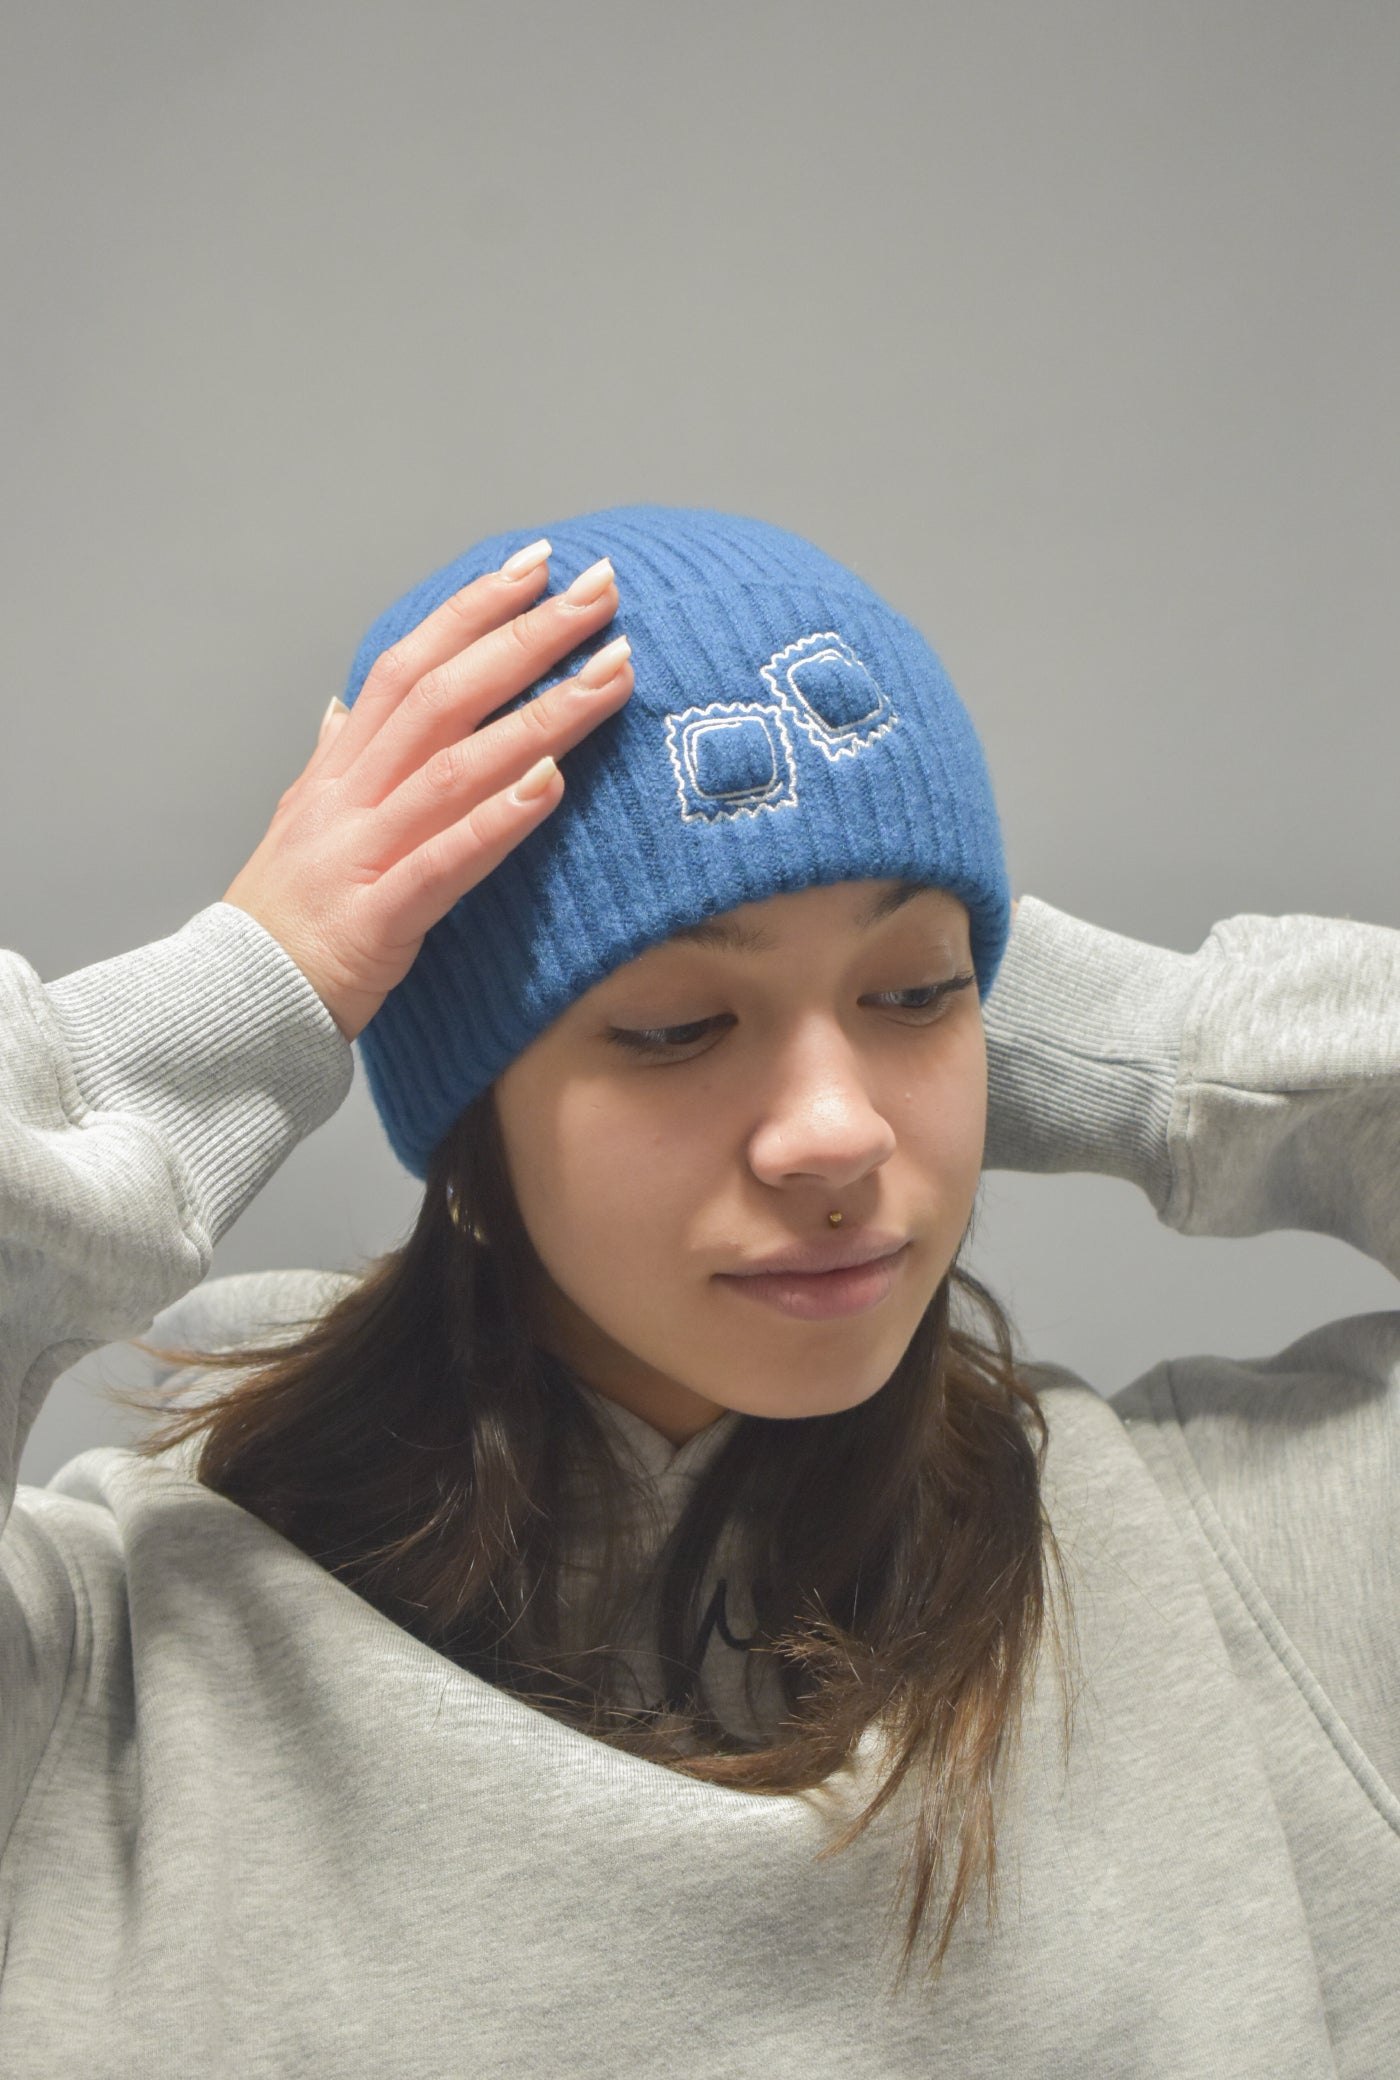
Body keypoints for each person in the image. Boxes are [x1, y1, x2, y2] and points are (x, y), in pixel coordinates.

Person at [0, 505, 1394, 2077]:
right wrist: (249, 988)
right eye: (674, 1027)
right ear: (478, 1127)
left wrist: (1148, 1053)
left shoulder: (1238, 1581)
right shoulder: (106, 1679)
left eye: (919, 997)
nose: (838, 1131)